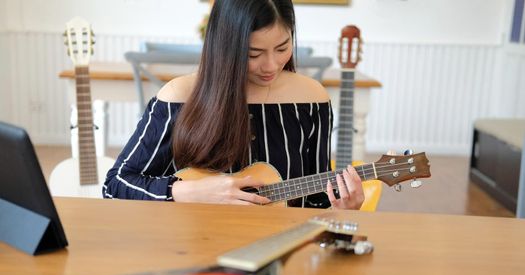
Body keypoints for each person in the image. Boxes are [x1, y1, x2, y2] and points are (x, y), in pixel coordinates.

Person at [103, 0, 364, 210]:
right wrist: (190, 191)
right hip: (193, 246)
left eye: (282, 48)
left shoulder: (311, 99)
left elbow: (314, 200)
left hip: (278, 247)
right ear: (225, 47)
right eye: (254, 54)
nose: (271, 65)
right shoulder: (179, 96)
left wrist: (341, 206)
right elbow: (115, 185)